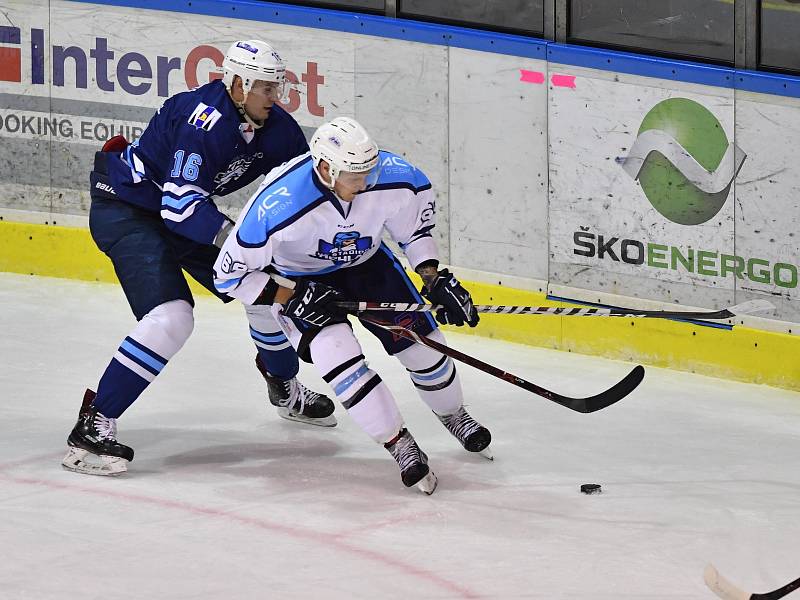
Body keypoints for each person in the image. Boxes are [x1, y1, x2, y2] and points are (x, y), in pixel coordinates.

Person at [63, 40, 336, 477]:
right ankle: (92, 426)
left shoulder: (277, 127)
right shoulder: (204, 121)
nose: (275, 97)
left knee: (269, 288)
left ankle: (283, 387)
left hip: (181, 217)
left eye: (277, 87)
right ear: (239, 84)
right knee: (173, 317)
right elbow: (180, 207)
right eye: (267, 88)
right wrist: (240, 243)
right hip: (129, 210)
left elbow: (305, 194)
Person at [213, 117, 492, 494]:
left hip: (367, 265)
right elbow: (228, 276)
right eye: (355, 175)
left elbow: (414, 231)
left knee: (426, 349)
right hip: (299, 282)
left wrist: (434, 278)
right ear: (326, 169)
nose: (366, 181)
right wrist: (291, 296)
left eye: (368, 169)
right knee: (340, 360)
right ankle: (400, 445)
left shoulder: (396, 175)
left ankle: (454, 414)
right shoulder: (275, 206)